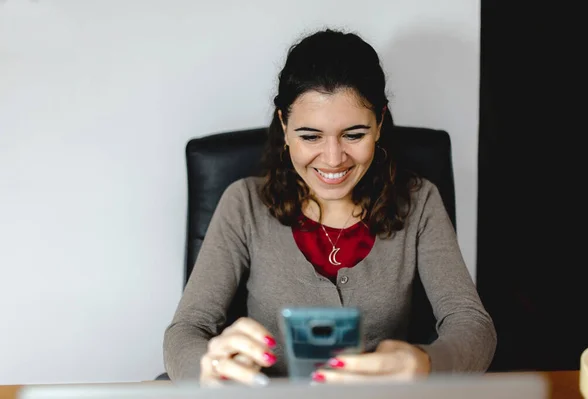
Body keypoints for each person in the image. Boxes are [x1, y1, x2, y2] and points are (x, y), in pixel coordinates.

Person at [163, 28, 497, 386]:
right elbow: (186, 329)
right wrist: (206, 370)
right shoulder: (243, 204)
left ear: (380, 123)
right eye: (310, 136)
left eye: (354, 134)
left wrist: (426, 363)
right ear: (284, 126)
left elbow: (472, 325)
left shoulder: (419, 201)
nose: (334, 159)